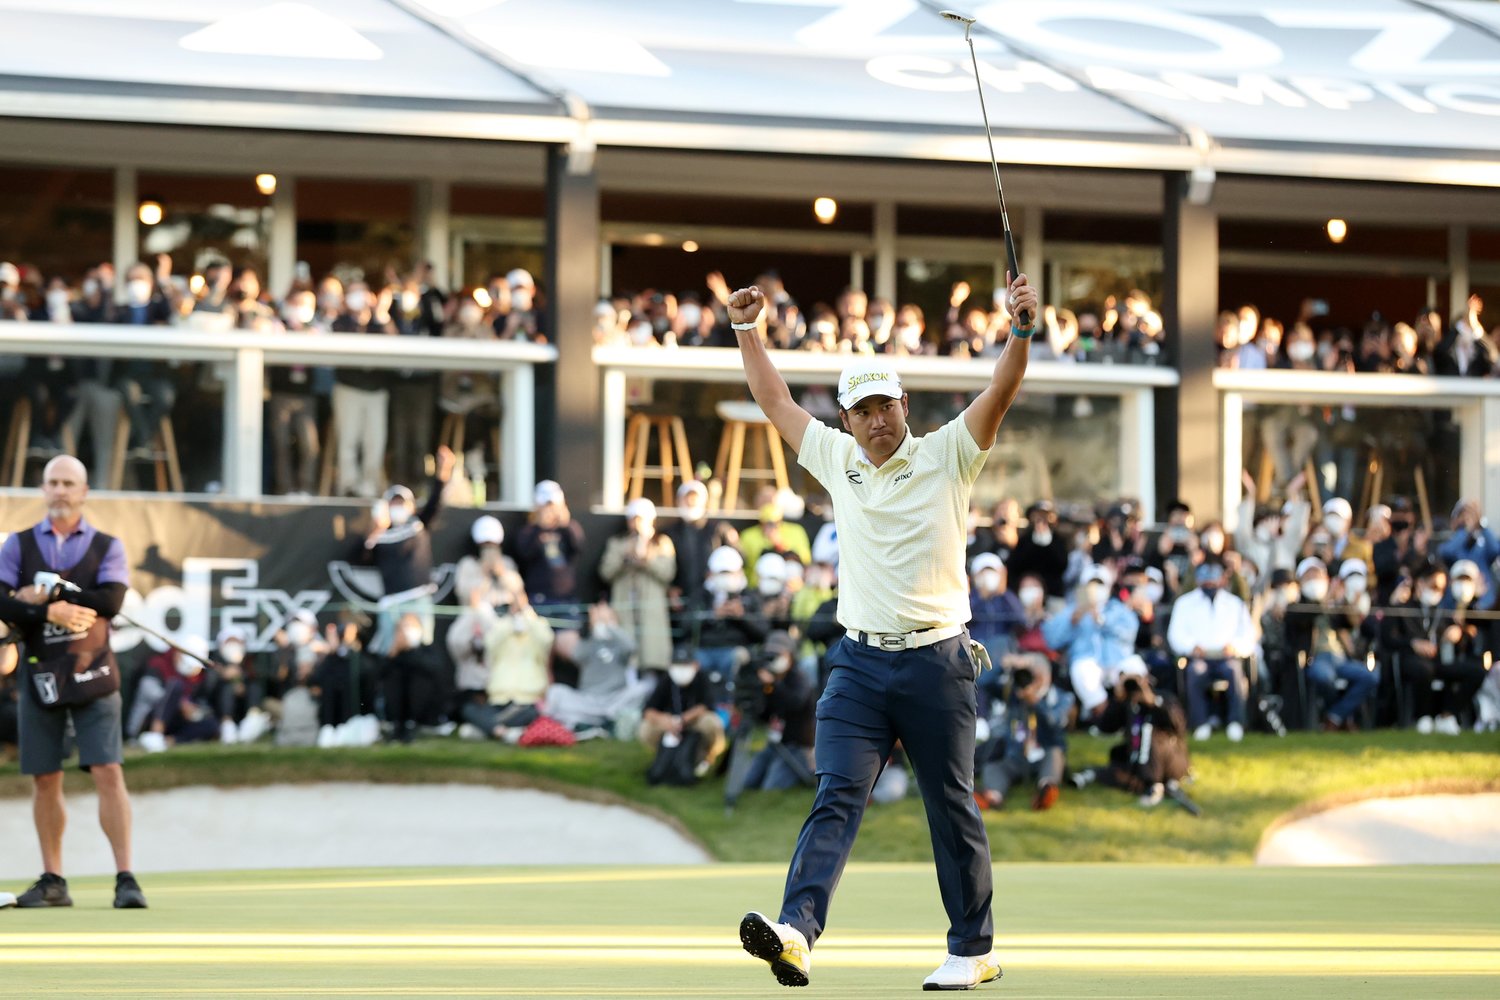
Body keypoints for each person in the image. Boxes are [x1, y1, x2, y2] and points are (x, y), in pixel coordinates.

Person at [730, 269, 1037, 991]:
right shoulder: (838, 461)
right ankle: (796, 933)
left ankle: (973, 949)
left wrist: (1020, 331)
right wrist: (747, 330)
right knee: (835, 792)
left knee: (949, 803)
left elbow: (1001, 391)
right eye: (861, 409)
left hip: (937, 661)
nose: (875, 420)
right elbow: (773, 399)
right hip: (859, 665)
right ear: (846, 416)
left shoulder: (949, 452)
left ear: (905, 404)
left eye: (885, 406)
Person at [0, 455, 146, 909]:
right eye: (53, 482)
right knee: (45, 777)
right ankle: (53, 879)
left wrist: (51, 594)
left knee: (107, 770)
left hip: (94, 672)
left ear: (84, 492)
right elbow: (1, 601)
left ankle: (125, 878)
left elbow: (111, 600)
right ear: (43, 490)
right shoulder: (17, 545)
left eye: (69, 483)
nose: (60, 490)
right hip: (41, 671)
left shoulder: (107, 545)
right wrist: (46, 612)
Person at [362, 445, 456, 654]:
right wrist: (374, 532)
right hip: (392, 603)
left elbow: (435, 502)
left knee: (422, 649)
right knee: (389, 650)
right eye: (393, 503)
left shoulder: (418, 525)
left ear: (411, 506)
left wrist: (443, 472)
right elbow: (364, 558)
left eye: (401, 503)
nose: (397, 507)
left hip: (419, 598)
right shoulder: (379, 535)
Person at [1044, 563, 1146, 726]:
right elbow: (1051, 640)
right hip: (1087, 661)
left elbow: (1129, 631)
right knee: (1082, 670)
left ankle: (1137, 719)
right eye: (1092, 585)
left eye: (1100, 584)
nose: (1096, 589)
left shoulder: (1117, 609)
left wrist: (1101, 619)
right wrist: (1072, 622)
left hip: (1116, 661)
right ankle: (1106, 721)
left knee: (1135, 667)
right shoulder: (1072, 611)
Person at [1166, 562, 1254, 742]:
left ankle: (1235, 722)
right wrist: (1191, 647)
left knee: (1234, 671)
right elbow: (1175, 635)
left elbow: (1248, 635)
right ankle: (1200, 723)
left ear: (1222, 580)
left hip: (1227, 657)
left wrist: (1235, 646)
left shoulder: (1235, 603)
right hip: (1199, 658)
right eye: (1206, 582)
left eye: (1213, 581)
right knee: (1195, 672)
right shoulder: (1184, 603)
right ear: (1198, 581)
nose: (1210, 586)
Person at [598, 498, 676, 674]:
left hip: (651, 609)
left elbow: (668, 573)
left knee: (653, 655)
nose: (635, 523)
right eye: (632, 519)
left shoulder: (661, 543)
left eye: (640, 519)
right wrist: (624, 560)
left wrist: (647, 561)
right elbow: (605, 572)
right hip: (625, 607)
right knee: (626, 655)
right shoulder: (617, 543)